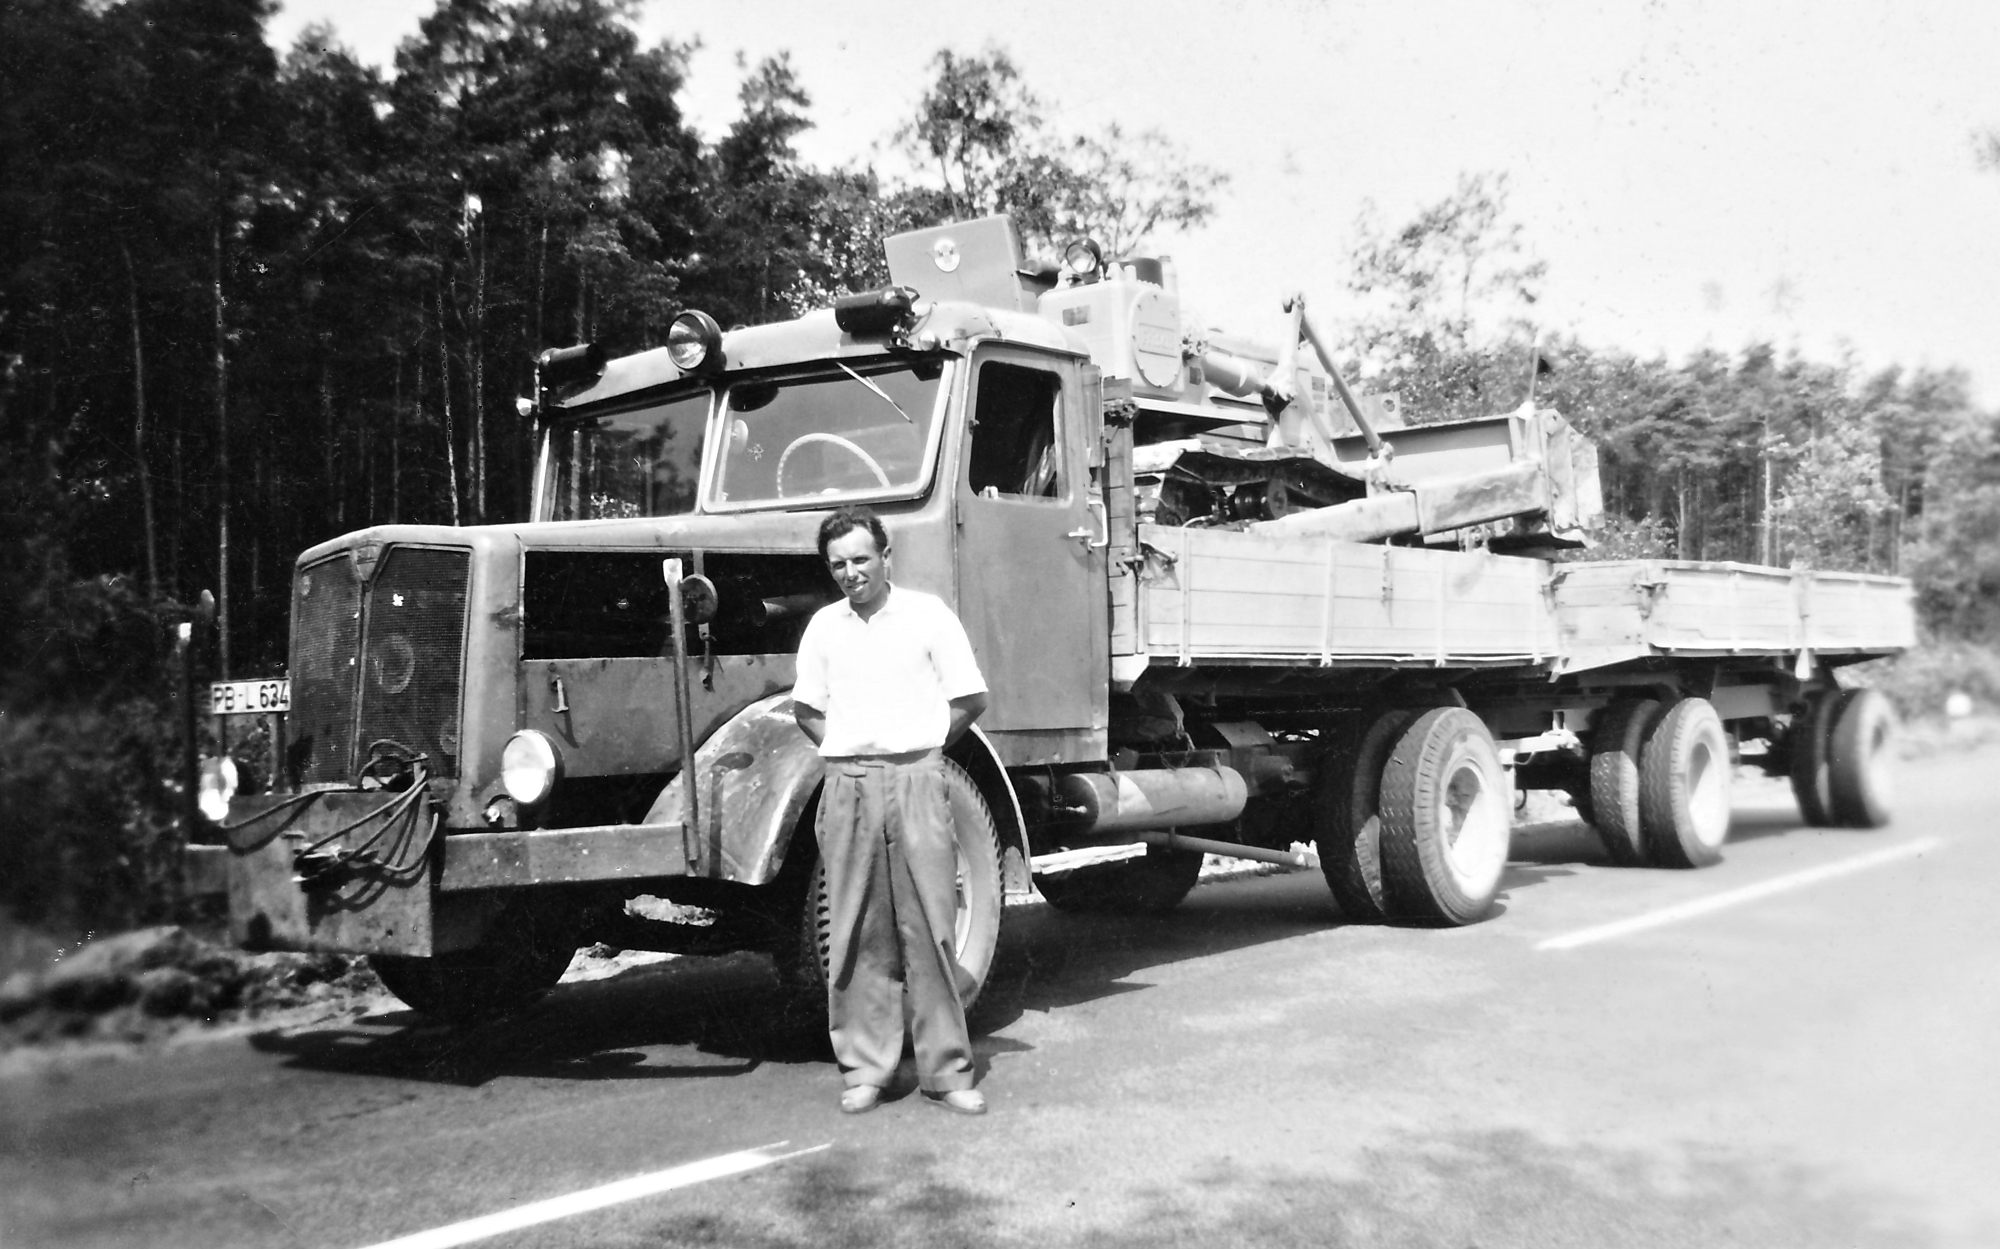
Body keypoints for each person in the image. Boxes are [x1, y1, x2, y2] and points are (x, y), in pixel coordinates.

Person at [791, 507, 992, 1116]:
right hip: (849, 784)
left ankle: (947, 1072)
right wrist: (852, 748)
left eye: (861, 559)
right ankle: (866, 1069)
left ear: (886, 556)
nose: (851, 573)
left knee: (930, 923)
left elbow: (970, 697)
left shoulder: (928, 615)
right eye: (839, 564)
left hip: (916, 779)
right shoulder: (824, 628)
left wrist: (922, 749)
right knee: (854, 927)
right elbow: (806, 709)